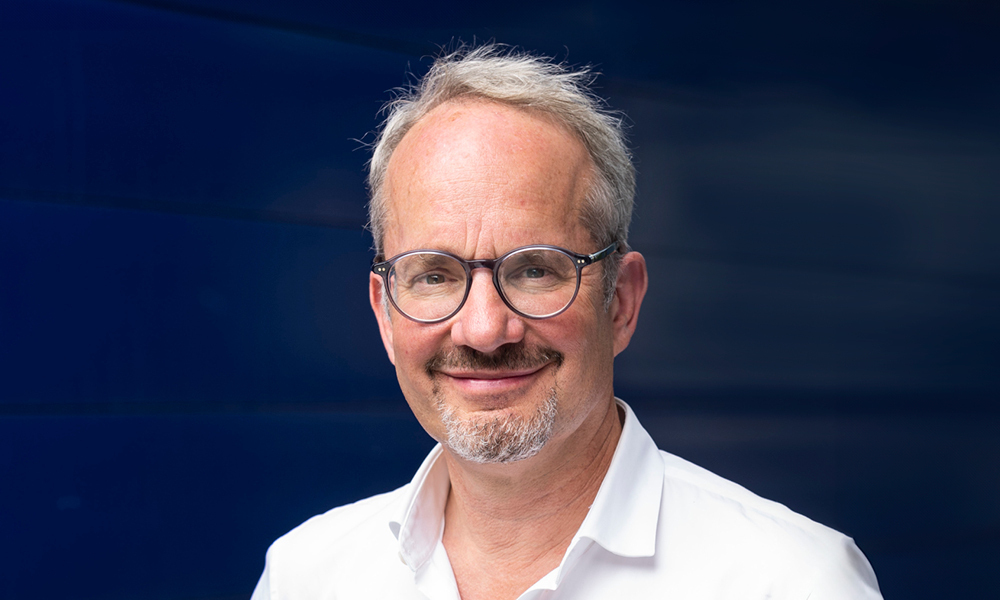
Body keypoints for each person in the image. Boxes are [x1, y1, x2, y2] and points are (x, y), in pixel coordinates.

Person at [251, 44, 882, 600]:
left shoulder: (791, 583)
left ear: (621, 301)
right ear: (385, 314)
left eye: (535, 270)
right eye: (435, 275)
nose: (484, 330)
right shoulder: (308, 576)